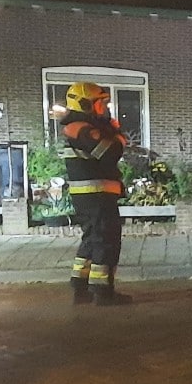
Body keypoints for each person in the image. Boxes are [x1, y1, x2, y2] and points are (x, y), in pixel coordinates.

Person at [59, 81, 129, 305]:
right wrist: (117, 135)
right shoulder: (81, 129)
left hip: (92, 195)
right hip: (96, 195)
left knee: (92, 239)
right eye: (100, 103)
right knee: (105, 241)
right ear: (86, 104)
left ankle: (81, 287)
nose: (104, 107)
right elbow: (110, 152)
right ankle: (102, 291)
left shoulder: (79, 126)